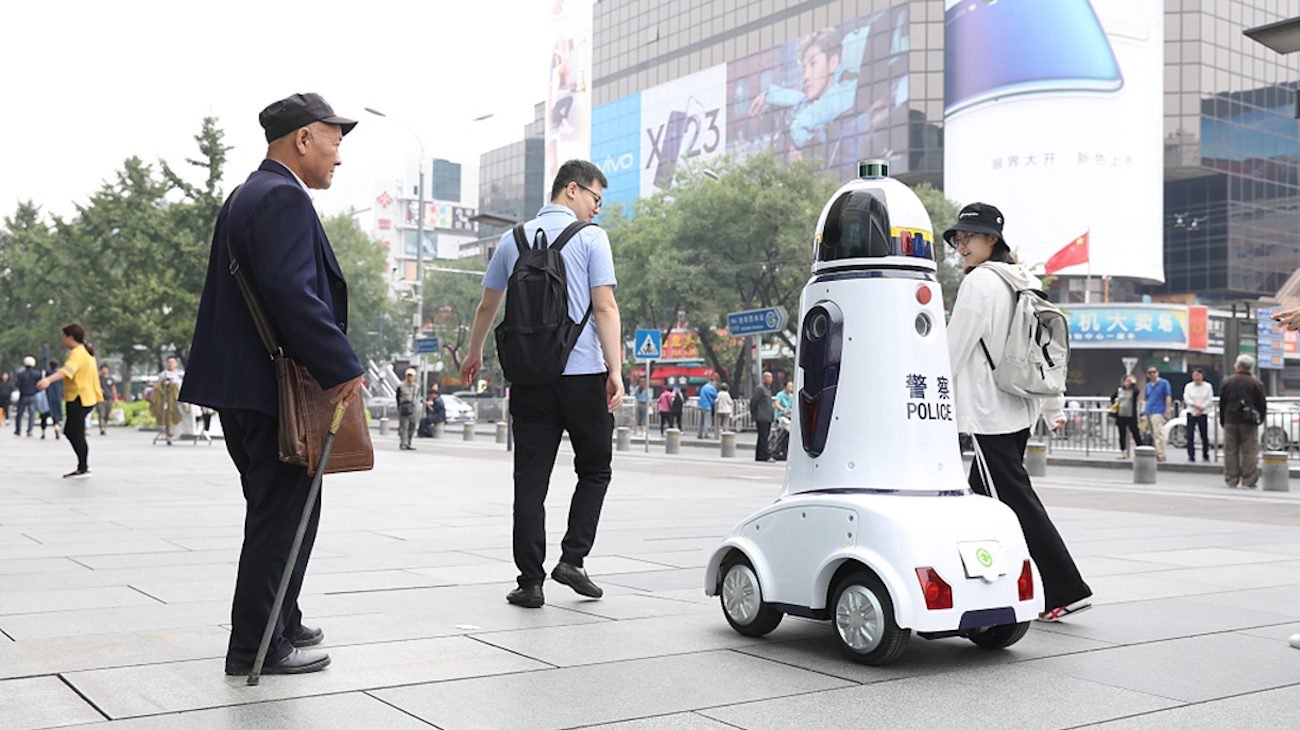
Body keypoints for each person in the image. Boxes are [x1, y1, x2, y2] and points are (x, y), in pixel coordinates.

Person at [181, 93, 364, 677]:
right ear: (304, 138)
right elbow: (292, 293)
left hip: (244, 384)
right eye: (335, 139)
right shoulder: (282, 197)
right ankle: (256, 646)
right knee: (279, 515)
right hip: (270, 385)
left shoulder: (247, 194)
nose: (339, 155)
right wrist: (341, 366)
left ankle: (282, 617)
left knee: (285, 511)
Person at [461, 159, 621, 610]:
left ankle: (529, 582)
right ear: (572, 190)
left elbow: (487, 305)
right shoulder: (592, 238)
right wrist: (615, 370)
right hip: (583, 375)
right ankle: (573, 559)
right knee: (595, 469)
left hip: (529, 380)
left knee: (530, 483)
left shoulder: (511, 240)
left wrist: (474, 354)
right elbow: (605, 308)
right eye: (595, 198)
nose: (596, 208)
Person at [943, 202, 1091, 623]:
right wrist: (1051, 408)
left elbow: (955, 348)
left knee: (1016, 504)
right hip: (1019, 407)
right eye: (959, 238)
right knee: (986, 505)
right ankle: (1011, 586)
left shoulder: (980, 284)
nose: (962, 245)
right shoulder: (1024, 280)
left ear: (993, 240)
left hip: (989, 412)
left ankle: (1066, 588)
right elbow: (1041, 350)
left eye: (970, 237)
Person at [35, 324, 102, 477]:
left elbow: (67, 371)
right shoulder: (84, 352)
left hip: (80, 397)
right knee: (74, 431)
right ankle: (83, 466)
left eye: (63, 336)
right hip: (84, 397)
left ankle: (83, 467)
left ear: (70, 337)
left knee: (74, 432)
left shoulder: (78, 353)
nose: (62, 339)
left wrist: (49, 380)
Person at [1219, 355, 1267, 489]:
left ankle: (1231, 479)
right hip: (1249, 421)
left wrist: (1223, 419)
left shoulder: (1227, 382)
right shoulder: (1256, 383)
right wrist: (1260, 418)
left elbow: (1222, 403)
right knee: (1250, 451)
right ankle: (1249, 480)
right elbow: (1262, 404)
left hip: (1231, 419)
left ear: (1239, 366)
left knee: (1230, 451)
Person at [1140, 367, 1172, 462]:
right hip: (1149, 411)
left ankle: (1161, 454)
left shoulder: (1163, 383)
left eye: (1154, 372)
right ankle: (1156, 452)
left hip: (1158, 410)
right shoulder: (1148, 386)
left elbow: (1168, 396)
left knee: (1158, 433)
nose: (1152, 374)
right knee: (1152, 433)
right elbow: (1146, 398)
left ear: (1157, 373)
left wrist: (1167, 410)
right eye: (1149, 373)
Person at [1183, 368, 1213, 462]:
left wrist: (1202, 407)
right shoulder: (1188, 386)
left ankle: (1205, 454)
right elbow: (1186, 398)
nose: (1196, 377)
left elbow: (1209, 399)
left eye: (1198, 375)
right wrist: (1195, 406)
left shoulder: (1208, 386)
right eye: (1194, 375)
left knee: (1204, 434)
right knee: (1190, 434)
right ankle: (1191, 456)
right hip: (1191, 412)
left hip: (1203, 413)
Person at [1111, 375, 1141, 459]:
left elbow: (1137, 391)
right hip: (1121, 415)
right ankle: (1123, 452)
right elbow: (1112, 397)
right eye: (1126, 381)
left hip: (1131, 415)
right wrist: (1115, 404)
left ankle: (1140, 450)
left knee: (1135, 433)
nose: (1127, 383)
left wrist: (1134, 383)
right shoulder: (1119, 390)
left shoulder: (1133, 391)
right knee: (1122, 434)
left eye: (1129, 381)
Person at [750, 371, 775, 462]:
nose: (771, 380)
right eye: (769, 377)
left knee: (763, 437)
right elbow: (754, 402)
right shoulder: (760, 389)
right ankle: (765, 455)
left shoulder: (768, 389)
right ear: (764, 378)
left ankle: (759, 456)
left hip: (767, 417)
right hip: (761, 416)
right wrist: (753, 414)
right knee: (763, 437)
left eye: (771, 378)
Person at [13, 356, 39, 437]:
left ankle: (18, 430)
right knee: (32, 414)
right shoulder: (37, 374)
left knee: (19, 414)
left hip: (23, 395)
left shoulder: (20, 374)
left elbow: (17, 384)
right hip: (33, 395)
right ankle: (30, 430)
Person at [38, 359, 64, 440]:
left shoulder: (46, 373)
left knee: (44, 415)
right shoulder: (60, 374)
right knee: (55, 415)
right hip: (57, 396)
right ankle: (56, 427)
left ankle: (43, 432)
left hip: (47, 396)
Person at [396, 368, 419, 450]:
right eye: (408, 376)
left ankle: (409, 442)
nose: (410, 378)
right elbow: (397, 397)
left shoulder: (416, 387)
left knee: (412, 426)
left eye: (411, 376)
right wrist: (399, 407)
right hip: (403, 407)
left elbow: (417, 397)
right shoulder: (401, 386)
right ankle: (403, 443)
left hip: (412, 407)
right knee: (404, 427)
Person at [97, 365, 118, 435]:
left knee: (107, 414)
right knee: (101, 414)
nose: (105, 370)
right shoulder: (98, 378)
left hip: (109, 399)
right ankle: (102, 428)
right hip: (100, 399)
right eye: (103, 369)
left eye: (106, 369)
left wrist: (115, 398)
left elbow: (113, 389)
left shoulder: (111, 379)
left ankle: (104, 426)